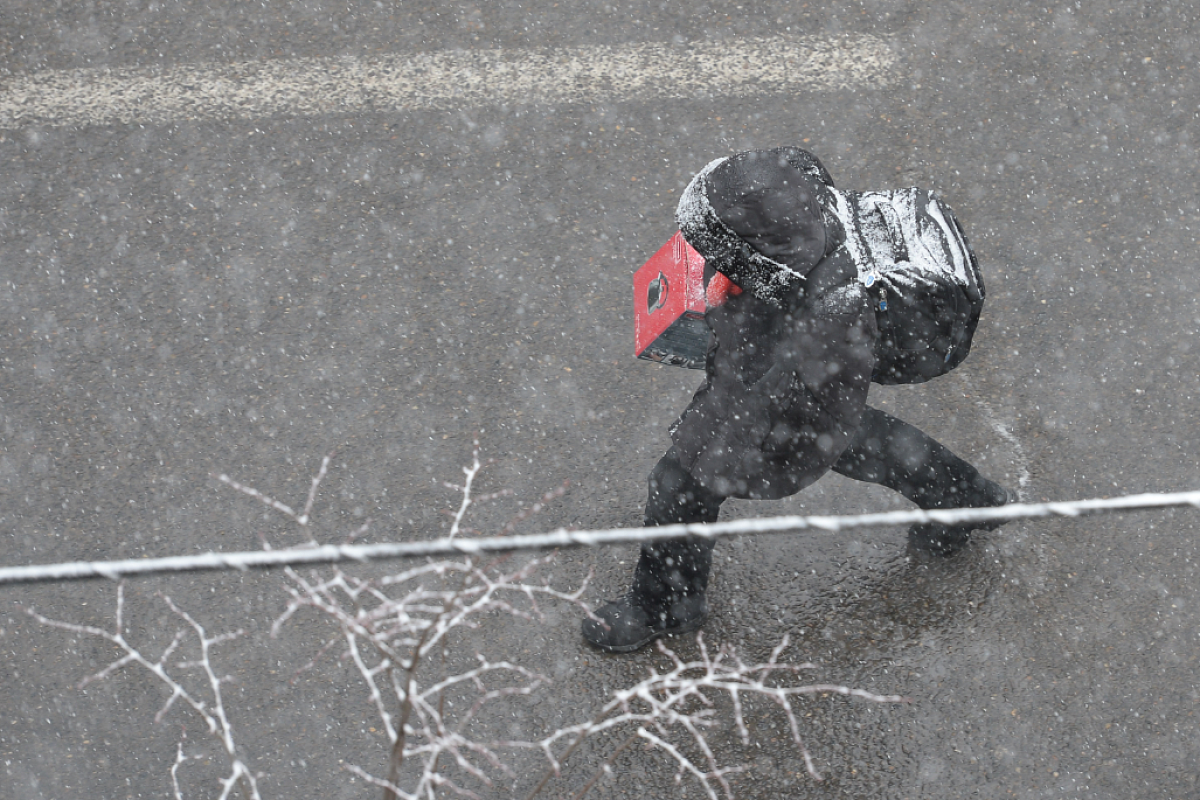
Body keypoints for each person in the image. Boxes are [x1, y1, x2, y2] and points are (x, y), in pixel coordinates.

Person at [583, 147, 1015, 654]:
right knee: (857, 437)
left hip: (795, 395)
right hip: (808, 386)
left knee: (680, 484)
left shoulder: (828, 314)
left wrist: (706, 438)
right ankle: (965, 498)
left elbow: (758, 404)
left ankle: (663, 605)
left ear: (760, 259)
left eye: (725, 253)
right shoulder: (799, 230)